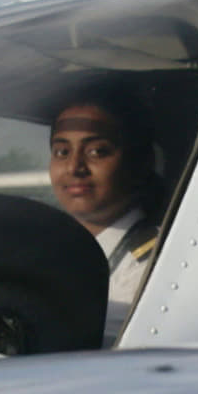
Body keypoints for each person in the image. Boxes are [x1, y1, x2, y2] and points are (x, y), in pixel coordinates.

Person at [48, 93, 161, 342]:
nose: (73, 167)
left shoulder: (154, 262)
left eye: (97, 152)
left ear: (141, 163)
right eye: (62, 152)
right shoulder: (44, 246)